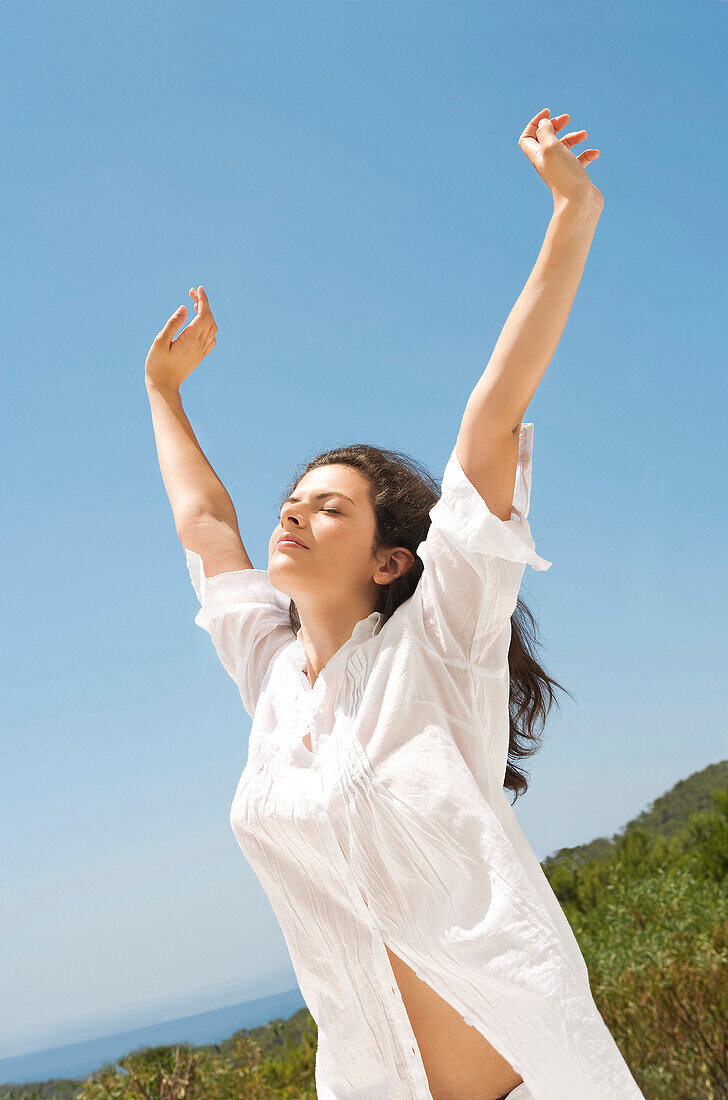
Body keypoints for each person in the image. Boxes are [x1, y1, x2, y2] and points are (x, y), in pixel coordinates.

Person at [145, 109, 645, 1100]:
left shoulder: (441, 642)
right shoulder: (274, 680)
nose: (292, 512)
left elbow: (490, 414)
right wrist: (162, 390)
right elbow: (205, 526)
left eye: (327, 507)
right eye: (292, 500)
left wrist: (570, 213)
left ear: (387, 559)